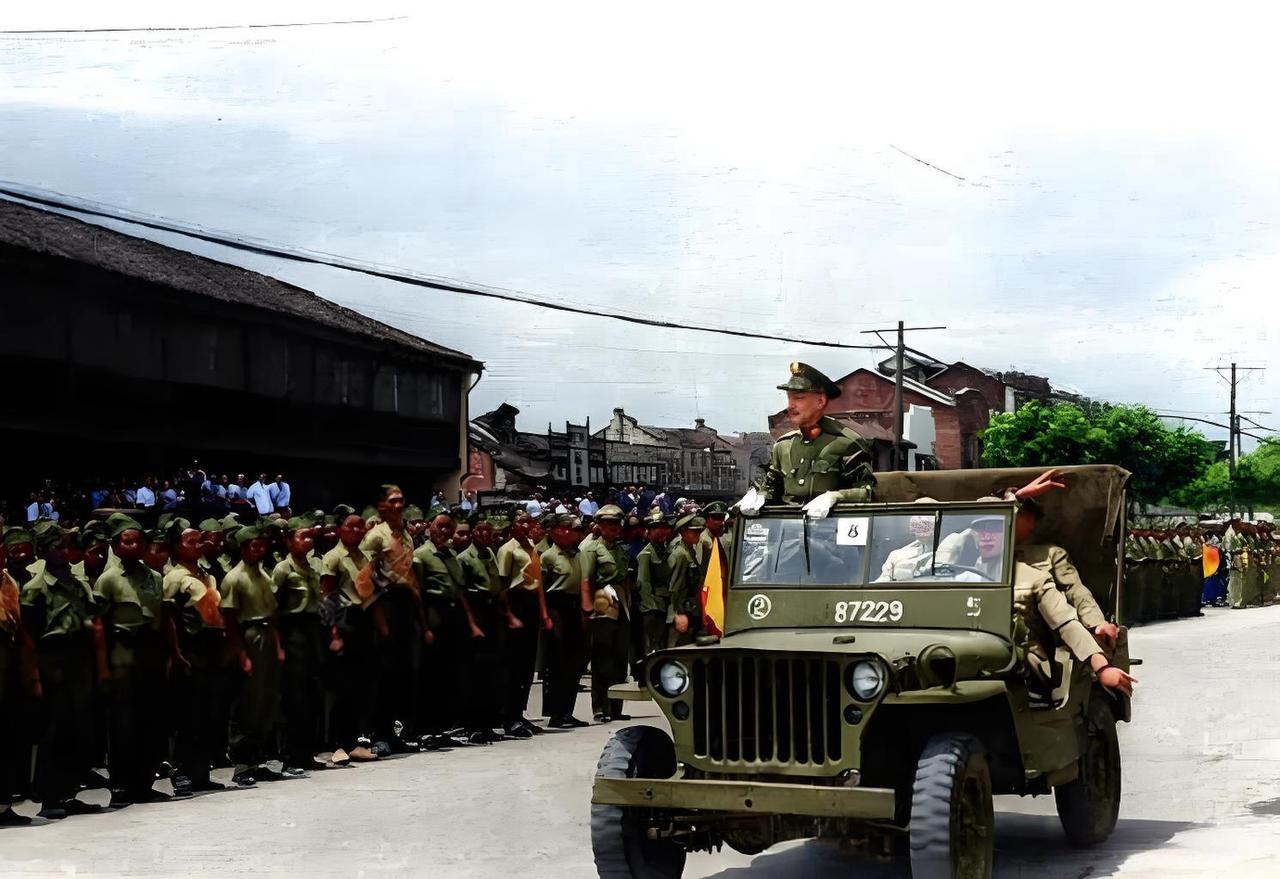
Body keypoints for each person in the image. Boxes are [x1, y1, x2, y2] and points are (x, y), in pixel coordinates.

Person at [21, 521, 104, 819]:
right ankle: (50, 796)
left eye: (66, 546)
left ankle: (69, 792)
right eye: (57, 547)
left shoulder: (77, 583)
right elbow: (28, 635)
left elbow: (92, 622)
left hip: (78, 658)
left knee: (78, 727)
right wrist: (32, 673)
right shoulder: (35, 587)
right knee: (53, 731)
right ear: (43, 552)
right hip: (51, 659)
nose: (64, 552)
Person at [94, 513, 169, 806]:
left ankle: (144, 782)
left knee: (151, 719)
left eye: (139, 540)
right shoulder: (108, 579)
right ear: (114, 545)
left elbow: (162, 619)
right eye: (128, 541)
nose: (135, 545)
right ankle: (122, 785)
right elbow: (99, 624)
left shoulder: (154, 577)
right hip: (122, 651)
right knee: (123, 722)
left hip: (150, 649)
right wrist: (103, 666)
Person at [737, 362, 873, 519]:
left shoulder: (846, 443)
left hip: (831, 536)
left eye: (799, 398)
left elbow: (867, 493)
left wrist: (836, 497)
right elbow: (771, 487)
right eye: (789, 398)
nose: (790, 406)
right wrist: (758, 495)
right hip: (786, 536)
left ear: (820, 401)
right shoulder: (783, 446)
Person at [221, 524, 288, 785]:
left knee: (266, 699)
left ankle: (258, 759)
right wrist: (241, 654)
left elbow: (272, 614)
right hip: (248, 636)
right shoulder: (234, 577)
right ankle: (241, 763)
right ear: (243, 547)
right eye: (254, 546)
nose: (259, 550)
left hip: (267, 634)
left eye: (263, 545)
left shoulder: (263, 574)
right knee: (248, 702)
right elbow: (229, 619)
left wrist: (279, 647)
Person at [362, 486, 429, 751]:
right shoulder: (375, 536)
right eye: (392, 502)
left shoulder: (407, 537)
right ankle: (377, 735)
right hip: (384, 602)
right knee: (382, 672)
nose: (398, 506)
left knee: (401, 673)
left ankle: (392, 733)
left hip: (404, 604)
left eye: (401, 501)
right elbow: (367, 576)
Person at [415, 512, 485, 743]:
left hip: (455, 615)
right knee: (432, 675)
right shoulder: (422, 555)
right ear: (429, 528)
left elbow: (460, 591)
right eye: (440, 527)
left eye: (448, 528)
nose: (444, 532)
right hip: (433, 613)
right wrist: (424, 628)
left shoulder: (452, 555)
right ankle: (429, 727)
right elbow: (418, 595)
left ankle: (448, 725)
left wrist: (472, 623)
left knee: (453, 673)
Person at [319, 511, 379, 762]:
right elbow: (326, 596)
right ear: (341, 529)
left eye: (360, 528)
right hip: (341, 622)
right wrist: (333, 632)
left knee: (360, 686)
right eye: (350, 527)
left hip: (362, 622)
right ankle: (335, 744)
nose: (356, 531)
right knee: (339, 687)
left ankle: (355, 740)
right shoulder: (333, 557)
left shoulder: (366, 557)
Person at [272, 516, 326, 773]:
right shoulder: (283, 568)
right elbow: (274, 609)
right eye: (301, 536)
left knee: (312, 695)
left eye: (310, 537)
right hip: (292, 633)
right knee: (293, 698)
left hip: (313, 632)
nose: (307, 541)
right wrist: (279, 645)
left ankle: (306, 753)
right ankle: (289, 756)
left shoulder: (313, 566)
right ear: (288, 540)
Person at [495, 514, 551, 737]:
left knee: (527, 666)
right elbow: (502, 586)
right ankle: (508, 716)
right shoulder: (508, 550)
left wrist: (544, 613)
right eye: (521, 522)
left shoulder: (532, 548)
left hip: (530, 607)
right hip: (514, 605)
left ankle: (519, 712)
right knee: (513, 665)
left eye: (530, 522)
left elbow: (537, 585)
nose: (527, 526)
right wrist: (509, 615)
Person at [1, 529, 37, 826]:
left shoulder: (8, 582)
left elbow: (20, 628)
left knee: (9, 734)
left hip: (8, 664)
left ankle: (3, 805)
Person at [540, 515, 589, 728]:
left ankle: (568, 711)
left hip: (574, 607)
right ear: (553, 531)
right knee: (558, 662)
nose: (569, 533)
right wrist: (545, 615)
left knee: (574, 662)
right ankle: (556, 713)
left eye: (571, 529)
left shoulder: (578, 555)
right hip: (556, 607)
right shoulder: (548, 557)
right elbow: (541, 589)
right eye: (564, 529)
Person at [583, 505, 630, 723]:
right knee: (602, 658)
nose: (613, 528)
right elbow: (587, 580)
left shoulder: (621, 549)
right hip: (601, 604)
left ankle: (617, 707)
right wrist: (588, 610)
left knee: (620, 658)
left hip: (621, 603)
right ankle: (600, 707)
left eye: (616, 524)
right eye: (608, 524)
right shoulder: (592, 548)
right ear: (600, 526)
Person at [636, 511, 675, 655]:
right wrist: (650, 609)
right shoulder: (646, 554)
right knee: (652, 645)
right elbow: (643, 584)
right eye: (656, 528)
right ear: (649, 532)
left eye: (663, 527)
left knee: (661, 644)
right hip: (653, 608)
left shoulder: (664, 550)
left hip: (664, 604)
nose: (661, 531)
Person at [666, 515, 706, 648]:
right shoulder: (680, 554)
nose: (698, 534)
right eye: (693, 531)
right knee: (676, 650)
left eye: (699, 531)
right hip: (682, 611)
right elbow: (673, 587)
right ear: (683, 532)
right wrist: (677, 614)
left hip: (691, 610)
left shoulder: (689, 551)